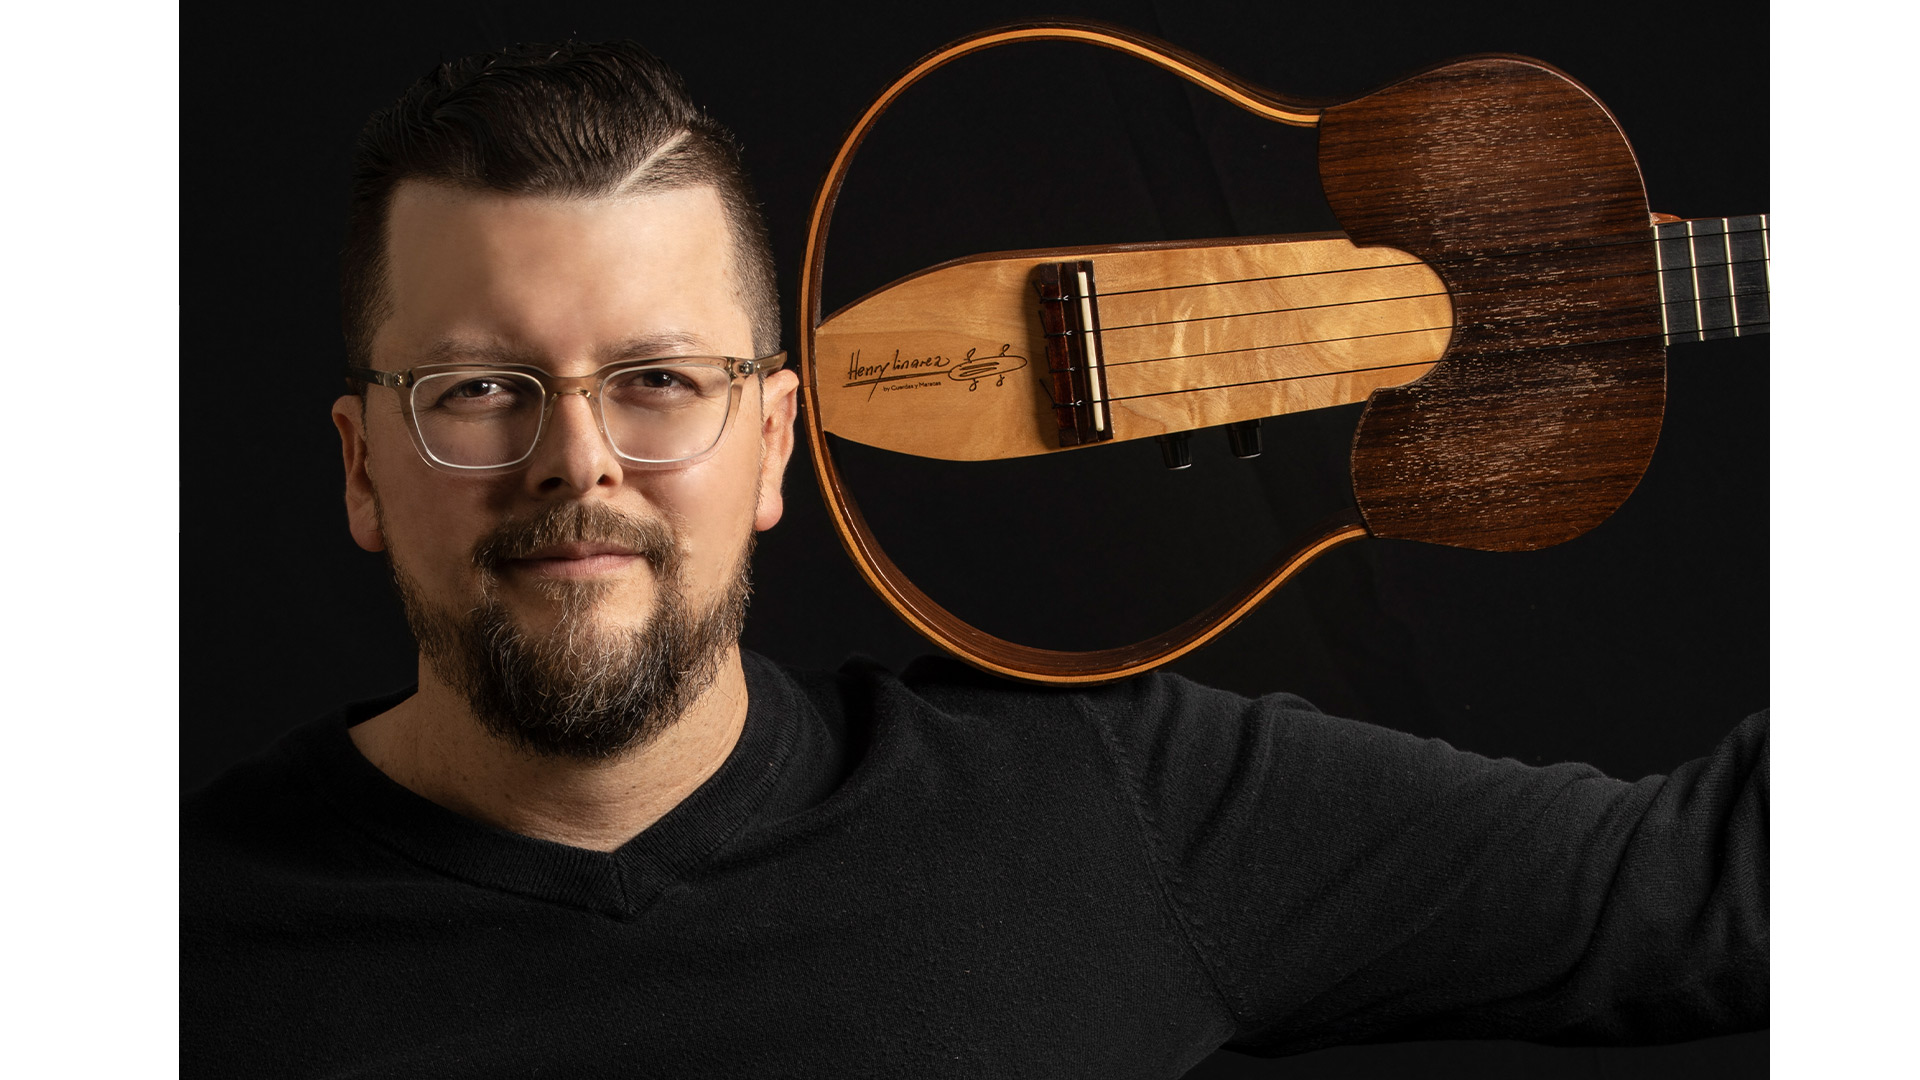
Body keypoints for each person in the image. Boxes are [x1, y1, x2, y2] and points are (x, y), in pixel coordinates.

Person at [180, 40, 1766, 1078]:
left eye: (658, 380)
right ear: (361, 466)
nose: (577, 461)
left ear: (775, 444)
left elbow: (1723, 891)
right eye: (478, 391)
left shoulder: (1102, 808)